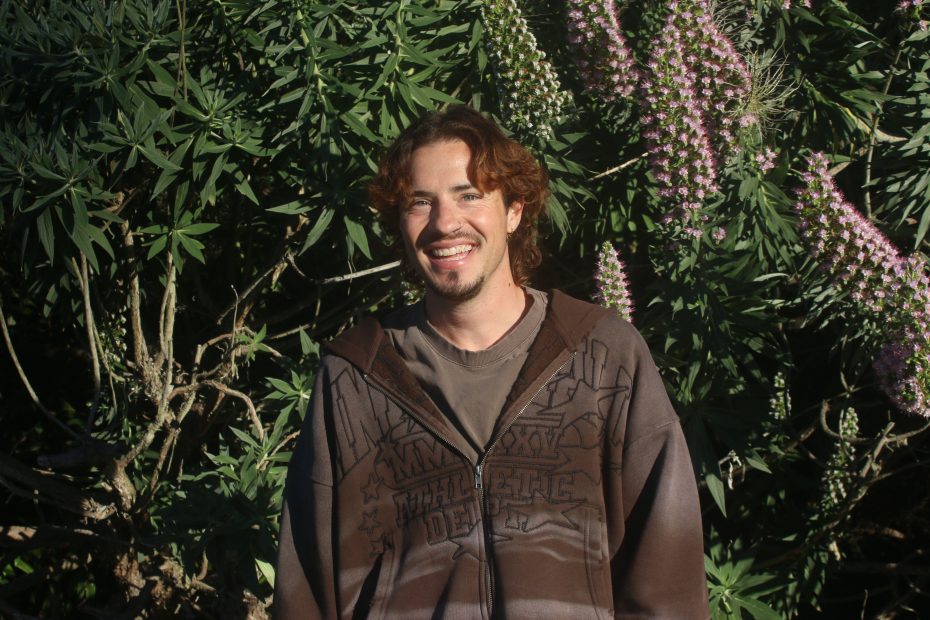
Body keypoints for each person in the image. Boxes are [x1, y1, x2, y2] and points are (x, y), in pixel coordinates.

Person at [274, 105, 709, 619]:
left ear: (515, 210)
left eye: (469, 196)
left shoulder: (603, 357)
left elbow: (666, 573)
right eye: (419, 202)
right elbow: (306, 588)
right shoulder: (355, 378)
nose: (444, 223)